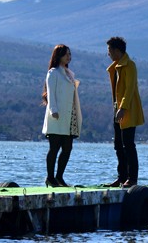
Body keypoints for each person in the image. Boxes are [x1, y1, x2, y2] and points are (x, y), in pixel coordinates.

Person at [104, 36, 145, 188]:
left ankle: (132, 178)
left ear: (117, 50)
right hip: (117, 109)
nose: (108, 54)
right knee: (118, 145)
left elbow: (129, 89)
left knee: (128, 144)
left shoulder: (130, 66)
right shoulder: (116, 66)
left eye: (109, 50)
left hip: (127, 110)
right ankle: (121, 177)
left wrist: (123, 108)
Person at [41, 44, 82, 188]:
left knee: (67, 148)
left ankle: (59, 177)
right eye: (66, 54)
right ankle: (50, 178)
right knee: (54, 148)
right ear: (58, 55)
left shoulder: (69, 74)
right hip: (56, 117)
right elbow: (51, 92)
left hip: (68, 118)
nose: (69, 57)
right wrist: (53, 110)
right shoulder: (53, 73)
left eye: (70, 54)